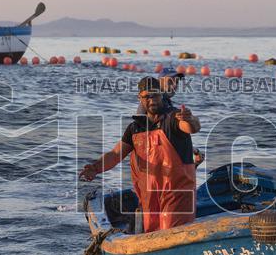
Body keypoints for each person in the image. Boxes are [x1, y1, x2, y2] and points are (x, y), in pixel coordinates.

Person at [79, 76, 201, 233]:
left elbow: (192, 127)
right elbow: (116, 154)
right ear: (140, 98)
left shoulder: (173, 118)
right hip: (149, 196)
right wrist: (95, 168)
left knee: (172, 232)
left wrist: (190, 119)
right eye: (147, 97)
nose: (152, 100)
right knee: (151, 234)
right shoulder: (135, 128)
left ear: (162, 94)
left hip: (177, 192)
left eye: (155, 95)